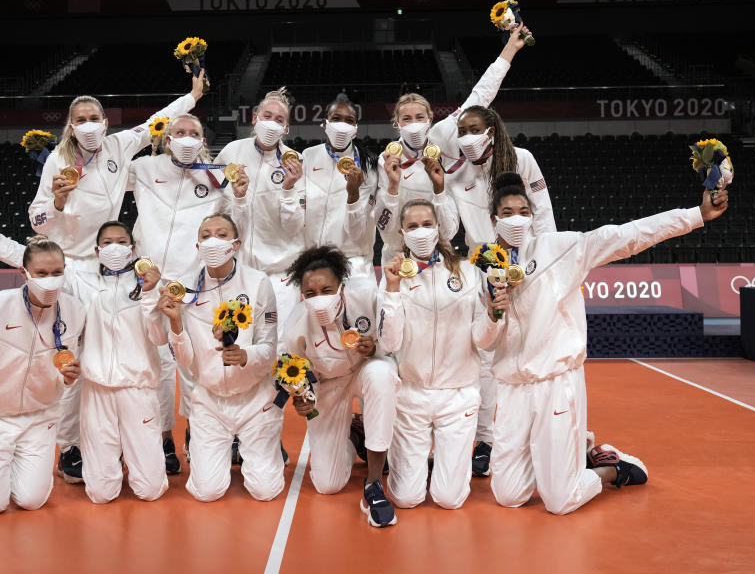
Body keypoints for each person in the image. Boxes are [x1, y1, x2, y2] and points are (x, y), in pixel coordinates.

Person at [484, 172, 729, 514]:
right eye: (507, 213)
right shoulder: (485, 266)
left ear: (533, 216)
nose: (516, 219)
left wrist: (694, 216)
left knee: (559, 501)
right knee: (509, 495)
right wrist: (493, 310)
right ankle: (578, 450)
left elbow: (625, 236)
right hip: (512, 388)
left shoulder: (561, 248)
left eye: (523, 211)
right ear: (493, 219)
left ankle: (613, 468)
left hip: (555, 381)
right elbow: (485, 336)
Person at [26, 71, 205, 482]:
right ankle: (69, 447)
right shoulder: (58, 160)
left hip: (112, 266)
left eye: (95, 118)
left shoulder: (119, 145)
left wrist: (192, 97)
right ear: (71, 126)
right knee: (73, 356)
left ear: (106, 123)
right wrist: (56, 198)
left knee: (126, 353)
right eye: (81, 119)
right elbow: (37, 220)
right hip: (72, 265)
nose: (89, 125)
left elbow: (156, 124)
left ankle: (132, 441)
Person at [0, 217, 172, 504]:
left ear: (133, 248)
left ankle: (141, 462)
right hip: (96, 389)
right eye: (107, 243)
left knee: (150, 491)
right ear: (96, 249)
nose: (114, 248)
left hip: (137, 388)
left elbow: (160, 338)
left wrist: (151, 293)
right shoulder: (80, 278)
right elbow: (31, 259)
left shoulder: (151, 283)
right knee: (100, 494)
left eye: (121, 242)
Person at [143, 213, 284, 502]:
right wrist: (176, 324)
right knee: (207, 492)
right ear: (197, 246)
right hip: (209, 400)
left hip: (254, 399)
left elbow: (269, 351)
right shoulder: (184, 288)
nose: (212, 241)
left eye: (221, 235)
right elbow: (183, 361)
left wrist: (246, 355)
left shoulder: (258, 283)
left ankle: (257, 448)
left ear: (236, 244)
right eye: (205, 235)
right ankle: (219, 445)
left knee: (265, 491)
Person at [448, 104, 556, 478]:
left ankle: (535, 433)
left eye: (473, 128)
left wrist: (543, 263)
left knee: (531, 350)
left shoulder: (522, 160)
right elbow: (448, 224)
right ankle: (485, 440)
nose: (467, 137)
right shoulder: (456, 174)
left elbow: (542, 213)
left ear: (491, 130)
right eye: (461, 131)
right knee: (485, 359)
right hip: (484, 271)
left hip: (526, 267)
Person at [377, 199, 506, 510]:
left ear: (438, 229)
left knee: (449, 499)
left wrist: (493, 315)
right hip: (412, 395)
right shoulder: (394, 275)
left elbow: (483, 341)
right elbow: (389, 342)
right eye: (412, 227)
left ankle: (440, 461)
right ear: (401, 232)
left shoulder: (468, 272)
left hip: (458, 396)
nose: (420, 232)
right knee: (407, 499)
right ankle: (419, 461)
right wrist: (392, 291)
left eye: (427, 225)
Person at [129, 113, 241, 463]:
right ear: (167, 137)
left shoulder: (217, 175)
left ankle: (197, 433)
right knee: (157, 368)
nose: (187, 138)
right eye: (180, 132)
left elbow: (233, 220)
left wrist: (239, 192)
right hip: (150, 282)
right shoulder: (145, 169)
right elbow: (107, 171)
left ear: (203, 140)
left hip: (193, 286)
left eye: (195, 132)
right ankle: (163, 439)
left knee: (195, 367)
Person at [375, 25, 531, 265]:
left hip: (441, 250)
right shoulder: (387, 160)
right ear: (396, 124)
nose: (414, 124)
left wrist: (510, 49)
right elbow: (384, 223)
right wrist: (392, 188)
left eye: (420, 118)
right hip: (398, 253)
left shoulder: (442, 134)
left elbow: (481, 95)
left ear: (430, 120)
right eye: (406, 119)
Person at [0, 235, 83, 516]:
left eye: (57, 272)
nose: (50, 279)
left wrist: (69, 375)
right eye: (41, 273)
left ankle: (0, 466)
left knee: (31, 501)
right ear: (23, 272)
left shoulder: (75, 310)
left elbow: (68, 361)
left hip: (40, 416)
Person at [283, 245, 400, 527]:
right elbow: (298, 377)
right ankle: (353, 435)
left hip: (364, 368)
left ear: (342, 287)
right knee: (327, 484)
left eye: (327, 290)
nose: (318, 299)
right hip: (329, 385)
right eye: (310, 294)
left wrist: (376, 347)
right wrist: (303, 402)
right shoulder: (296, 324)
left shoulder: (367, 298)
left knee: (381, 375)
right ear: (302, 295)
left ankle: (373, 483)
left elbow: (393, 343)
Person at [214, 88, 303, 340]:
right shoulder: (231, 152)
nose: (272, 123)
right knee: (236, 343)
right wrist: (239, 197)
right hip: (239, 271)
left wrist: (288, 189)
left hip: (281, 275)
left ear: (286, 128)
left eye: (279, 120)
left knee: (279, 345)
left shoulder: (294, 162)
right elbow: (216, 209)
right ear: (255, 118)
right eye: (267, 116)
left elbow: (295, 227)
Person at [300, 100, 382, 280]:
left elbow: (364, 222)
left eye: (349, 120)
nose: (342, 126)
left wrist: (354, 194)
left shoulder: (370, 166)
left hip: (355, 263)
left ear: (355, 128)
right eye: (336, 119)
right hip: (314, 261)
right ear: (324, 123)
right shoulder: (308, 156)